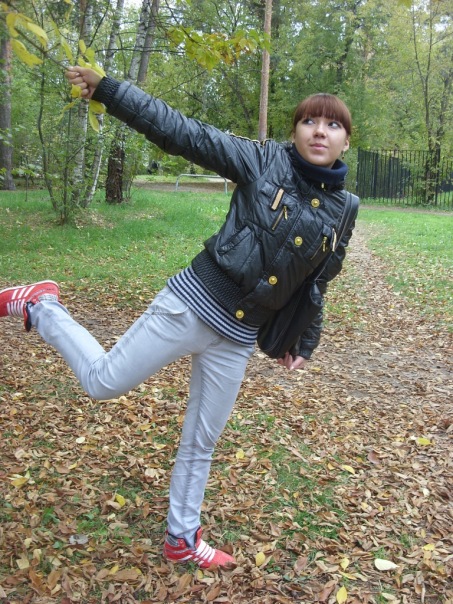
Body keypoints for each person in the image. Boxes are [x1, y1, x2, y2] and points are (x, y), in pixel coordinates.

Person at [0, 66, 358, 569]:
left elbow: (319, 279)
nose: (320, 132)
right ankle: (41, 306)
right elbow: (183, 132)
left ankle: (182, 538)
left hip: (238, 338)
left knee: (202, 441)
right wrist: (110, 91)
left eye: (332, 125)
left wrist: (305, 339)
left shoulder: (345, 208)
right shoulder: (263, 161)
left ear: (346, 140)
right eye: (310, 121)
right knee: (102, 382)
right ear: (295, 130)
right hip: (191, 304)